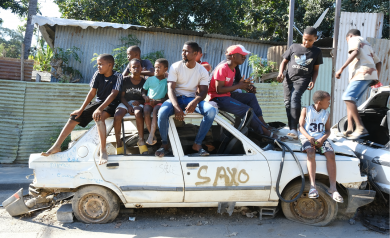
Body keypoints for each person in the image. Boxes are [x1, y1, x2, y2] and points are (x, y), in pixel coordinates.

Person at [42, 54, 122, 165]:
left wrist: (100, 109)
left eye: (101, 64)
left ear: (110, 65)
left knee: (99, 117)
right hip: (98, 103)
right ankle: (57, 146)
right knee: (74, 117)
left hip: (112, 104)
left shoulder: (117, 76)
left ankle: (103, 150)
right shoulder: (97, 74)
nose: (98, 67)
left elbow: (113, 95)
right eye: (97, 64)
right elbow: (92, 93)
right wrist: (81, 109)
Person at [156, 41, 217, 157]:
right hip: (176, 98)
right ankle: (164, 144)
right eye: (182, 50)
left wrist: (195, 101)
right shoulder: (175, 66)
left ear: (195, 54)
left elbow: (204, 91)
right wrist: (176, 106)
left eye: (186, 51)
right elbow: (170, 89)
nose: (183, 53)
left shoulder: (202, 70)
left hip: (191, 99)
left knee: (211, 111)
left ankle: (197, 144)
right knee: (162, 112)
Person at [208, 45, 280, 139]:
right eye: (242, 55)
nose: (244, 57)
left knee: (251, 97)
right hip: (218, 98)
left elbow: (234, 85)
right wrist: (239, 86)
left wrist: (245, 86)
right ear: (233, 56)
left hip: (227, 95)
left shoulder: (233, 69)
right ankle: (266, 134)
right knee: (246, 110)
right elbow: (219, 89)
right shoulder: (222, 68)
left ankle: (263, 125)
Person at [277, 27, 323, 139]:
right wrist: (280, 73)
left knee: (295, 97)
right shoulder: (294, 47)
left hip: (303, 79)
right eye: (305, 39)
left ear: (315, 39)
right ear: (302, 36)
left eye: (310, 40)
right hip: (288, 79)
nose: (306, 42)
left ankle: (295, 128)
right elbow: (284, 62)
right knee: (288, 102)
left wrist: (313, 81)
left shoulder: (317, 52)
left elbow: (316, 70)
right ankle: (292, 127)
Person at [335, 29, 382, 139]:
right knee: (351, 101)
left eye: (347, 40)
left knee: (347, 97)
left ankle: (360, 127)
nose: (348, 42)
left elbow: (355, 51)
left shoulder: (354, 39)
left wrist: (341, 69)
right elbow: (378, 62)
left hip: (362, 73)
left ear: (349, 36)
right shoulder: (367, 44)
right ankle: (350, 129)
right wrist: (376, 77)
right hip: (369, 75)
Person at [298, 90, 343, 203]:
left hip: (320, 139)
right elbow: (300, 127)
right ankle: (313, 187)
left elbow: (328, 131)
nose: (329, 103)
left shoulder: (326, 113)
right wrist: (309, 138)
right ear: (319, 102)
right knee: (311, 153)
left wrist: (322, 139)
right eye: (328, 101)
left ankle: (333, 188)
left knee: (331, 154)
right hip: (307, 137)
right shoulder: (306, 110)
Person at [114, 59, 148, 155]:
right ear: (130, 69)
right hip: (126, 102)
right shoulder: (125, 80)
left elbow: (145, 98)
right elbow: (122, 97)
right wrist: (128, 106)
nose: (136, 68)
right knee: (117, 116)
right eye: (134, 67)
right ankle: (119, 142)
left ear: (142, 68)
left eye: (138, 67)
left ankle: (141, 140)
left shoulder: (145, 82)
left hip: (139, 103)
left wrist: (139, 101)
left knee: (138, 113)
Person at [143, 58, 169, 146]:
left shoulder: (167, 82)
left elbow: (167, 97)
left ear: (166, 69)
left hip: (159, 102)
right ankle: (152, 134)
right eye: (155, 67)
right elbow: (143, 91)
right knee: (146, 110)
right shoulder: (150, 79)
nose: (156, 69)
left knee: (156, 110)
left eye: (159, 67)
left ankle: (151, 135)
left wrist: (157, 101)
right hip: (149, 102)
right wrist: (145, 96)